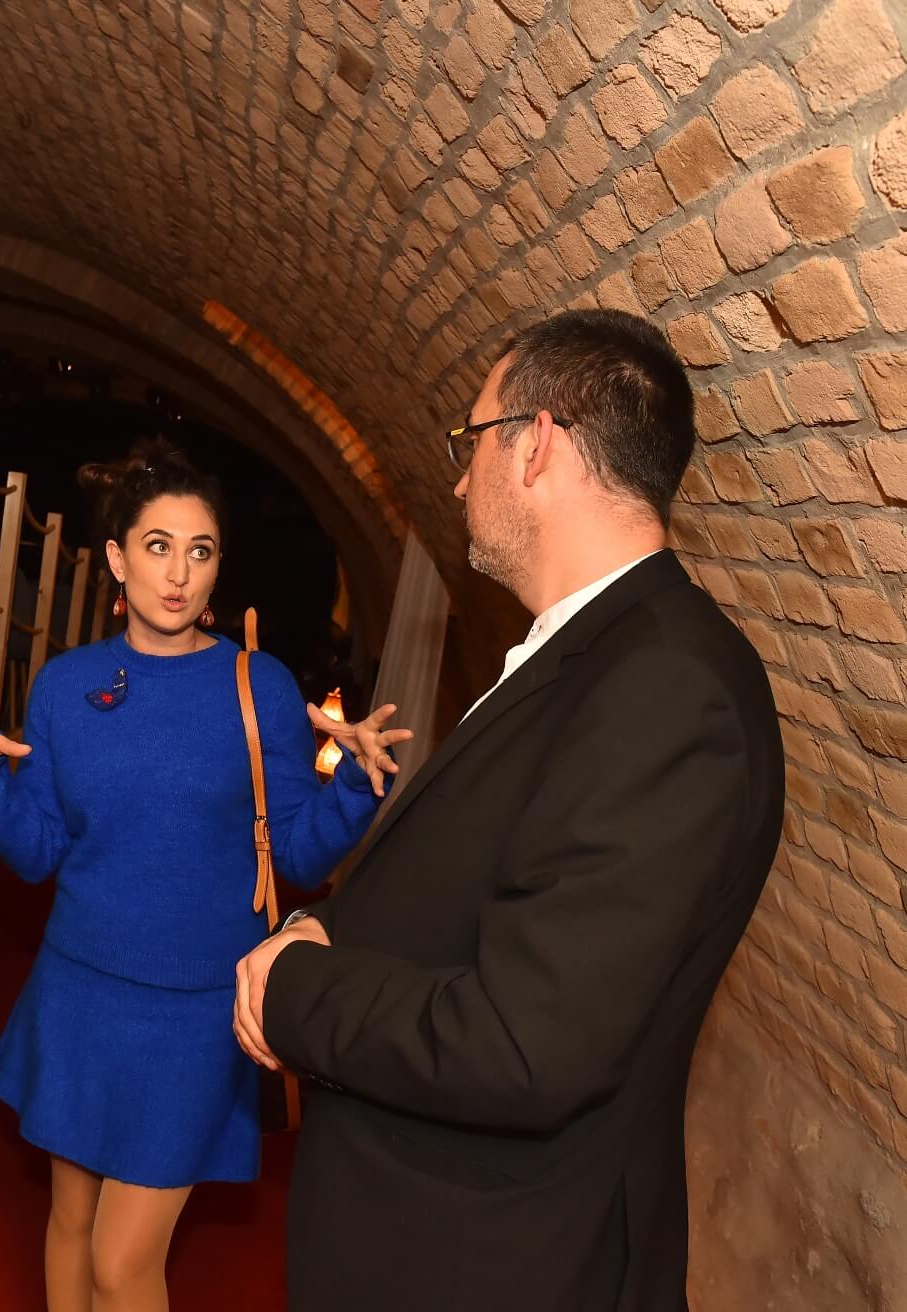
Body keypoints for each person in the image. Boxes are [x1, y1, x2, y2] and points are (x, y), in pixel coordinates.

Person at [233, 309, 786, 1311]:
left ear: (533, 445)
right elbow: (473, 882)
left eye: (471, 440)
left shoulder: (669, 688)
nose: (456, 480)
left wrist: (295, 991)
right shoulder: (591, 651)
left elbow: (527, 1045)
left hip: (496, 1262)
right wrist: (328, 925)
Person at [0, 439, 407, 1312]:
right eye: (157, 546)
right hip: (79, 991)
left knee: (122, 1264)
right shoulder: (66, 685)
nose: (178, 573)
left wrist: (355, 787)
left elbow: (296, 855)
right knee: (70, 1221)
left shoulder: (257, 686)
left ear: (218, 567)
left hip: (195, 1012)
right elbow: (39, 851)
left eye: (199, 550)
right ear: (117, 558)